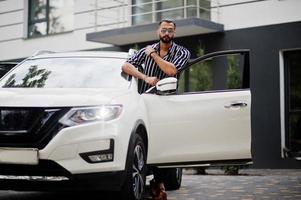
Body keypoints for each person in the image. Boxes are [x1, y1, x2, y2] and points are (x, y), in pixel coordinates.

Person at [122, 19, 190, 200]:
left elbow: (171, 71)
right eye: (163, 30)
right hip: (146, 103)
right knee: (148, 142)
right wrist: (144, 77)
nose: (166, 33)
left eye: (170, 30)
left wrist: (153, 56)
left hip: (168, 104)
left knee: (165, 144)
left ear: (174, 33)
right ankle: (155, 183)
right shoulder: (146, 49)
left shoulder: (182, 52)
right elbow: (125, 66)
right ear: (158, 32)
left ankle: (159, 183)